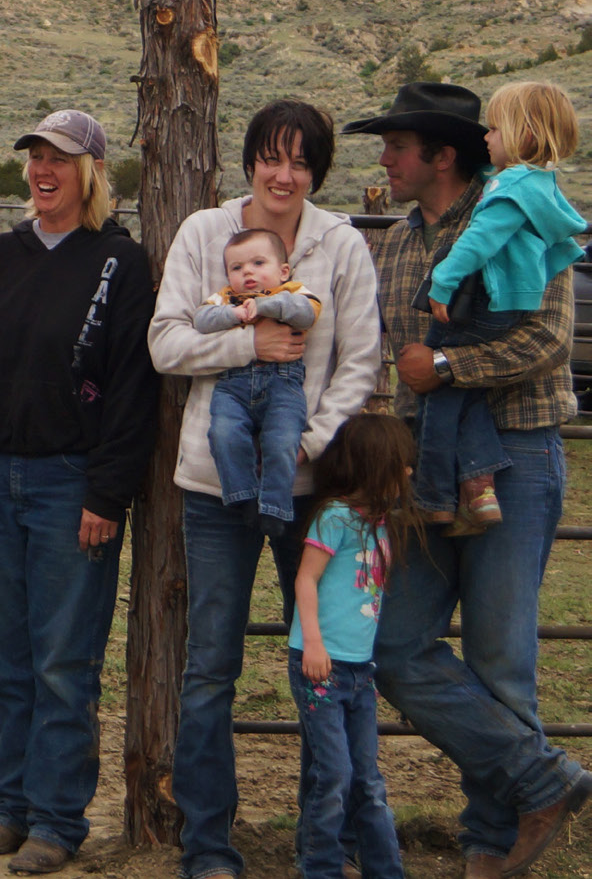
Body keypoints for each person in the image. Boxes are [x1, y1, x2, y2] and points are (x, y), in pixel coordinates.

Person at [343, 81, 592, 879]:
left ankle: (492, 841)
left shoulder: (517, 213)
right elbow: (387, 362)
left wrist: (448, 365)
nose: (384, 159)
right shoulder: (398, 240)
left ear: (439, 155)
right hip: (425, 461)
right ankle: (542, 778)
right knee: (396, 643)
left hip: (515, 453)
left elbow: (551, 339)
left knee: (498, 651)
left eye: (396, 146)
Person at [148, 98, 382, 879]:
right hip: (216, 486)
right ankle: (207, 843)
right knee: (211, 662)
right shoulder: (204, 234)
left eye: (302, 161)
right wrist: (250, 341)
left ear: (317, 171)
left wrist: (308, 443)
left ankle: (330, 838)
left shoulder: (339, 243)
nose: (284, 175)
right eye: (271, 157)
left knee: (324, 658)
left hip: (311, 485)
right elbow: (166, 341)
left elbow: (359, 361)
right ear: (248, 160)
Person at [0, 109, 158, 875]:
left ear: (89, 169)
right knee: (6, 652)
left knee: (64, 658)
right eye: (34, 158)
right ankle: (10, 809)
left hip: (70, 482)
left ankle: (58, 818)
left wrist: (107, 492)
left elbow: (131, 389)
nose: (41, 170)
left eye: (58, 158)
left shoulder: (120, 262)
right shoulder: (3, 255)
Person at [408, 81, 583, 534]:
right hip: (511, 305)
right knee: (460, 394)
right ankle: (477, 488)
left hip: (522, 432)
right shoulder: (537, 188)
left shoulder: (506, 193)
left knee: (438, 390)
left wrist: (442, 287)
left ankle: (435, 495)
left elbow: (478, 242)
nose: (487, 139)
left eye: (495, 129)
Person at [285, 414, 418, 879]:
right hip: (321, 666)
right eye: (401, 464)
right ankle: (319, 867)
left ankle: (386, 869)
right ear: (375, 465)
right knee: (335, 774)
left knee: (368, 779)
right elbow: (306, 579)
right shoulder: (334, 516)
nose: (409, 473)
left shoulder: (381, 523)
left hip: (360, 672)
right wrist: (314, 645)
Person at [194, 228, 322, 533]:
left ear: (283, 271)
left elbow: (306, 314)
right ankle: (244, 497)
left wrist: (265, 306)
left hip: (283, 383)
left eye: (258, 264)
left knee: (281, 441)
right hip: (232, 384)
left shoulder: (293, 292)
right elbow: (201, 320)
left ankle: (275, 508)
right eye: (236, 268)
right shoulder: (226, 297)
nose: (247, 272)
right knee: (223, 434)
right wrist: (235, 314)